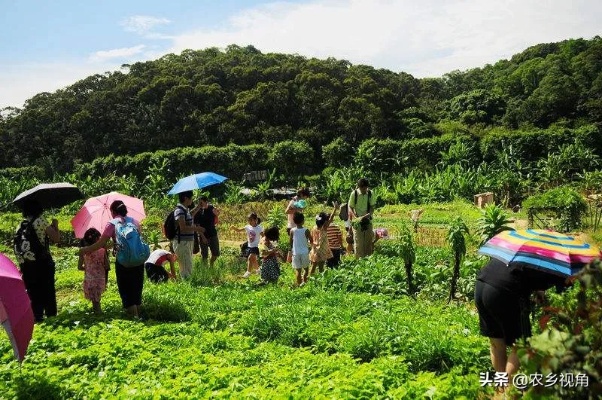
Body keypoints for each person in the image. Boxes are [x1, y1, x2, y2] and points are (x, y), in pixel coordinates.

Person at [474, 257, 569, 387]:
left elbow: (524, 272)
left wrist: (538, 290)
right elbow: (563, 297)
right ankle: (508, 391)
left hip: (482, 285)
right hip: (504, 291)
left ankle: (502, 388)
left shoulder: (524, 251)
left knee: (497, 342)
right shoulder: (559, 265)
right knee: (521, 346)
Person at [79, 200, 145, 317]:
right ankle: (140, 315)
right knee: (136, 288)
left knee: (126, 289)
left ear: (113, 211)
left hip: (123, 262)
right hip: (138, 260)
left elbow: (100, 243)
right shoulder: (135, 221)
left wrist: (85, 249)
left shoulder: (112, 223)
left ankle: (133, 317)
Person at [14, 199, 60, 322]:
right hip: (42, 261)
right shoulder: (41, 221)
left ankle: (37, 316)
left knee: (32, 289)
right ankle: (51, 316)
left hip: (27, 263)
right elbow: (56, 239)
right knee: (47, 288)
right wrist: (55, 226)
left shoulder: (21, 225)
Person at [171, 191, 206, 279]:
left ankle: (187, 285)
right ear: (186, 198)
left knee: (187, 264)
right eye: (191, 198)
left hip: (187, 242)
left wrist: (198, 207)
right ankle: (187, 286)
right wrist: (197, 229)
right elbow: (183, 227)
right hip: (182, 243)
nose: (192, 200)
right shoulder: (179, 211)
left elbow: (190, 215)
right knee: (186, 266)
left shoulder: (184, 210)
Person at [77, 228, 109, 313]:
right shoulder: (102, 250)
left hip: (90, 279)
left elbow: (79, 267)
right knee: (97, 300)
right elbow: (107, 266)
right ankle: (98, 315)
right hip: (100, 279)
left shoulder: (83, 251)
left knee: (95, 302)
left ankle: (97, 315)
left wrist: (88, 268)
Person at [348, 178, 376, 258]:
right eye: (362, 188)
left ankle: (368, 259)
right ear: (359, 187)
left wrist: (369, 214)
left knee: (368, 242)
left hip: (368, 220)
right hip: (357, 221)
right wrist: (355, 217)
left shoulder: (370, 193)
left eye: (365, 188)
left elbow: (372, 206)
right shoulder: (354, 194)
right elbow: (350, 207)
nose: (364, 190)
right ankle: (359, 260)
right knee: (358, 242)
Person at [231, 212, 264, 278]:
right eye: (248, 220)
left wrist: (265, 243)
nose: (249, 221)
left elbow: (263, 236)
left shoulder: (259, 228)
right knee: (253, 260)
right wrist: (234, 228)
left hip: (256, 246)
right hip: (250, 246)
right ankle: (259, 271)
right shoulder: (247, 227)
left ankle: (248, 273)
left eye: (251, 220)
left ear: (256, 220)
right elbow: (239, 230)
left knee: (250, 258)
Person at [309, 203, 339, 275]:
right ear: (324, 222)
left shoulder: (314, 228)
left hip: (314, 249)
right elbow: (331, 218)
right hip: (322, 250)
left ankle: (309, 280)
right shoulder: (324, 229)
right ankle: (321, 281)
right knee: (321, 268)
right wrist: (335, 208)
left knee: (313, 266)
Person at [193, 196, 220, 267]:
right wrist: (203, 237)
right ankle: (205, 270)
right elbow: (197, 226)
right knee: (204, 255)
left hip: (213, 234)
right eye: (199, 203)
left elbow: (216, 219)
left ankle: (211, 264)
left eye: (201, 202)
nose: (200, 204)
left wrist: (217, 214)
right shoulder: (198, 212)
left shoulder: (211, 208)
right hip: (203, 235)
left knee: (216, 254)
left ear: (206, 202)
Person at [288, 212, 312, 286]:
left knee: (298, 271)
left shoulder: (292, 230)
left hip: (296, 253)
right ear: (303, 221)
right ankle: (304, 282)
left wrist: (291, 250)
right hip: (304, 253)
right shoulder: (306, 230)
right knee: (306, 270)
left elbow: (290, 242)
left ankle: (299, 284)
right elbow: (311, 240)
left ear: (294, 221)